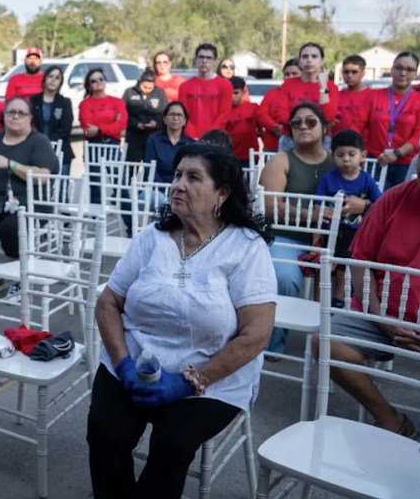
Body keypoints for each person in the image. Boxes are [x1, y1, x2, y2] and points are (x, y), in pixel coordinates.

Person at [88, 142, 276, 499]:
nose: (178, 184)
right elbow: (109, 301)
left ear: (221, 193)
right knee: (105, 429)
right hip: (136, 361)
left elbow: (256, 335)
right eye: (176, 175)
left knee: (171, 444)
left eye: (193, 177)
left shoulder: (246, 247)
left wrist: (189, 382)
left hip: (211, 375)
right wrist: (123, 364)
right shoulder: (152, 237)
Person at [312, 134, 420, 439]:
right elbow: (360, 263)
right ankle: (390, 417)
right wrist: (381, 319)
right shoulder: (394, 198)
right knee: (324, 341)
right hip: (383, 314)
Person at [259, 102, 335, 354]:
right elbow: (270, 206)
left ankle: (332, 349)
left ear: (324, 127)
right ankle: (273, 344)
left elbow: (363, 193)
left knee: (349, 278)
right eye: (296, 123)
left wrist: (360, 204)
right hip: (285, 237)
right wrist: (310, 214)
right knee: (285, 277)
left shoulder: (339, 161)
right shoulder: (281, 160)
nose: (303, 126)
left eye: (311, 121)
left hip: (328, 242)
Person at [0, 97, 59, 298]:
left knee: (10, 229)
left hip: (31, 205)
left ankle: (20, 279)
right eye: (11, 112)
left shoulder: (39, 142)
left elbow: (42, 177)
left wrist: (10, 164)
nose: (15, 116)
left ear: (30, 118)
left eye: (21, 113)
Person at [314, 130, 382, 299]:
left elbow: (380, 204)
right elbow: (316, 205)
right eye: (340, 155)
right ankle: (321, 301)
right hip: (328, 232)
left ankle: (339, 297)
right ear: (333, 156)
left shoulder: (366, 180)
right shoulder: (327, 178)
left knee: (347, 258)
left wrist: (365, 205)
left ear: (363, 155)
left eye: (352, 154)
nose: (346, 159)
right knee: (325, 262)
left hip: (355, 234)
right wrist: (321, 214)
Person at [356, 51, 420, 189]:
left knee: (399, 204)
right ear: (392, 69)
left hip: (405, 164)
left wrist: (397, 153)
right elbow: (358, 126)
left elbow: (419, 136)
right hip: (375, 161)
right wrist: (359, 152)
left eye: (409, 70)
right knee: (374, 204)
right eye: (399, 68)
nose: (403, 73)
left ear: (415, 74)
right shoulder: (373, 95)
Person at [272, 42, 339, 152]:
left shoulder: (330, 86)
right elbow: (280, 112)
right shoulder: (288, 84)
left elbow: (328, 116)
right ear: (299, 62)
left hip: (320, 140)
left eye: (314, 56)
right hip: (291, 137)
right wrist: (300, 125)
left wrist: (323, 86)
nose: (309, 60)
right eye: (305, 56)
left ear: (322, 61)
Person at [79, 68, 128, 204]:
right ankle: (97, 224)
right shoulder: (85, 104)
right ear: (89, 86)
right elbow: (88, 128)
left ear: (105, 81)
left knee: (120, 186)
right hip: (93, 146)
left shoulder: (117, 102)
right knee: (96, 188)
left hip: (113, 144)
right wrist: (111, 126)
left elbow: (121, 125)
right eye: (93, 81)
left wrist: (100, 129)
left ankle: (131, 224)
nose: (98, 82)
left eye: (101, 79)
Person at [177, 43, 233, 139]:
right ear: (196, 59)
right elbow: (183, 115)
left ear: (215, 61)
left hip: (215, 138)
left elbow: (224, 115)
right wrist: (192, 136)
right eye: (201, 57)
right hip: (190, 138)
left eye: (209, 58)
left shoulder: (225, 86)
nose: (204, 61)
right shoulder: (184, 86)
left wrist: (209, 136)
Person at [29, 64, 74, 176]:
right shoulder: (34, 100)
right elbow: (28, 123)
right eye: (50, 76)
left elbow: (66, 128)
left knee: (60, 190)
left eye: (57, 78)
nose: (53, 80)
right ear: (44, 79)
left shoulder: (65, 102)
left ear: (60, 83)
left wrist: (47, 142)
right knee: (38, 188)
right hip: (36, 150)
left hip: (60, 151)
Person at [144, 101, 196, 184]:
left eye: (179, 115)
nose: (175, 118)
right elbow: (150, 168)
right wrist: (163, 188)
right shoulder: (154, 140)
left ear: (185, 121)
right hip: (157, 189)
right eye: (172, 114)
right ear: (164, 119)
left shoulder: (191, 144)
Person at [122, 69, 168, 163]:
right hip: (134, 136)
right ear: (139, 82)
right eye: (144, 87)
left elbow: (165, 114)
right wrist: (135, 124)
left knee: (151, 166)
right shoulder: (129, 92)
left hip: (153, 135)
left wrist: (156, 123)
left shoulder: (160, 93)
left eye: (150, 88)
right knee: (131, 166)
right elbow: (123, 114)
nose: (146, 90)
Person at [258, 58, 301, 152]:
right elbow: (261, 114)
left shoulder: (306, 94)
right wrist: (274, 127)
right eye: (287, 74)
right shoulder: (272, 93)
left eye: (294, 73)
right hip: (272, 145)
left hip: (300, 146)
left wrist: (289, 128)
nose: (290, 77)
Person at [223, 76, 260, 168]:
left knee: (248, 181)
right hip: (230, 155)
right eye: (230, 93)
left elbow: (261, 129)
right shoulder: (223, 110)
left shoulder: (253, 107)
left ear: (243, 92)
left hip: (250, 155)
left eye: (236, 93)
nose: (232, 96)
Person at [331, 54, 370, 136]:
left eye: (354, 72)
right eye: (346, 72)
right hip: (337, 143)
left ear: (363, 73)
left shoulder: (372, 96)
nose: (349, 75)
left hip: (362, 144)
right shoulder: (337, 95)